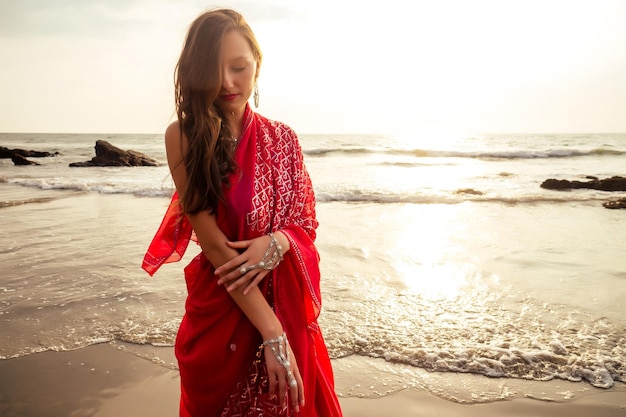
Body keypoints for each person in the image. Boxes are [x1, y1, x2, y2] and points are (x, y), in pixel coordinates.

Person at [141, 8, 343, 417]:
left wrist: (279, 242)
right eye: (215, 70)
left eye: (239, 68)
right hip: (221, 316)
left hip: (287, 309)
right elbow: (216, 248)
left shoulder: (284, 139)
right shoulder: (183, 136)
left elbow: (305, 222)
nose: (228, 83)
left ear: (257, 64)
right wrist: (273, 334)